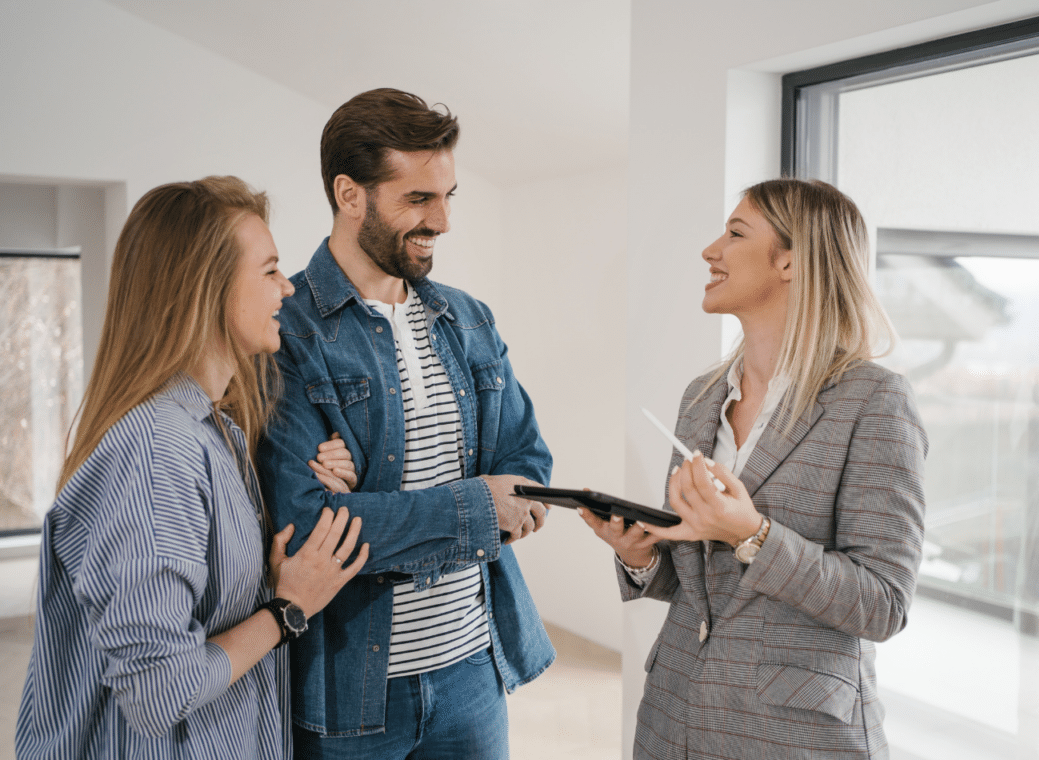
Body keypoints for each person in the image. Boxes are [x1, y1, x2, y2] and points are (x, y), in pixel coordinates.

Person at [15, 176, 370, 759]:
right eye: (269, 270)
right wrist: (287, 610)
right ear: (208, 289)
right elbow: (160, 689)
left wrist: (315, 485)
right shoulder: (157, 451)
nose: (287, 288)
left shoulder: (217, 430)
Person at [582, 179, 928, 759]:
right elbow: (704, 588)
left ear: (791, 260)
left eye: (735, 233)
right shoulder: (702, 397)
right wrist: (640, 555)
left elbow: (882, 603)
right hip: (673, 722)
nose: (710, 250)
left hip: (794, 737)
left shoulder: (874, 400)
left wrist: (752, 534)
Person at [256, 88, 554, 759]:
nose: (443, 220)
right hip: (353, 690)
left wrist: (369, 509)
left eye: (449, 195)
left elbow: (529, 465)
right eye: (419, 199)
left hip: (474, 669)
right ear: (349, 193)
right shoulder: (288, 329)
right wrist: (480, 506)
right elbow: (306, 530)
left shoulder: (469, 319)